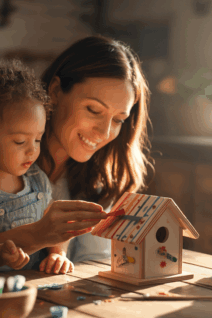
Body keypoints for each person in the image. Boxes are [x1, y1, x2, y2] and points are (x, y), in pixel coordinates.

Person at [37, 35, 151, 263]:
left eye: (118, 120)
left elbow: (95, 263)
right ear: (56, 91)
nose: (104, 132)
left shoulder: (98, 183)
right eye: (93, 110)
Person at [0, 60, 109, 271]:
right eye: (20, 141)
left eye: (38, 140)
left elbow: (56, 227)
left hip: (38, 291)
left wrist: (58, 254)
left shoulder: (37, 180)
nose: (32, 151)